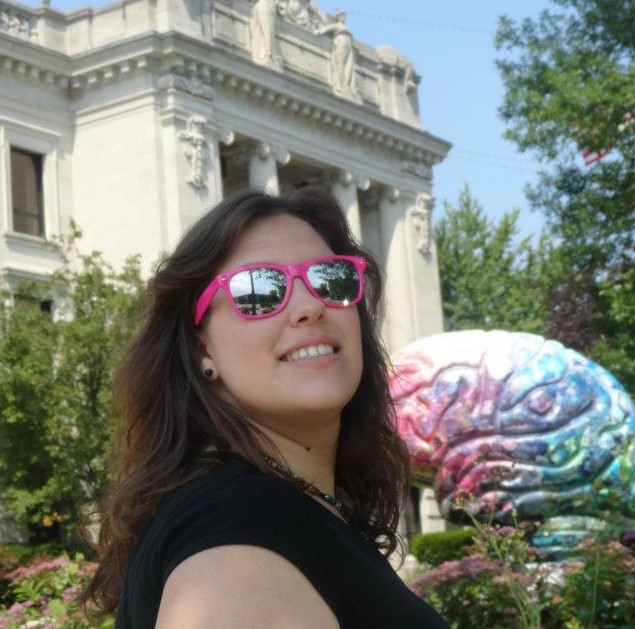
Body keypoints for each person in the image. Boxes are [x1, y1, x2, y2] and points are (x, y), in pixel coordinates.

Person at [83, 187, 449, 628]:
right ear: (202, 349)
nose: (311, 306)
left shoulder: (284, 510)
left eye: (331, 278)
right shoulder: (236, 546)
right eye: (259, 290)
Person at [317, 11, 361, 102]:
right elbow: (328, 28)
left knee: (348, 65)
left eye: (344, 16)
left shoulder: (345, 27)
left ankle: (346, 85)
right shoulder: (337, 25)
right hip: (340, 41)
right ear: (338, 17)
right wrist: (320, 31)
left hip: (348, 44)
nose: (343, 18)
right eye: (342, 16)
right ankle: (341, 85)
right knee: (340, 64)